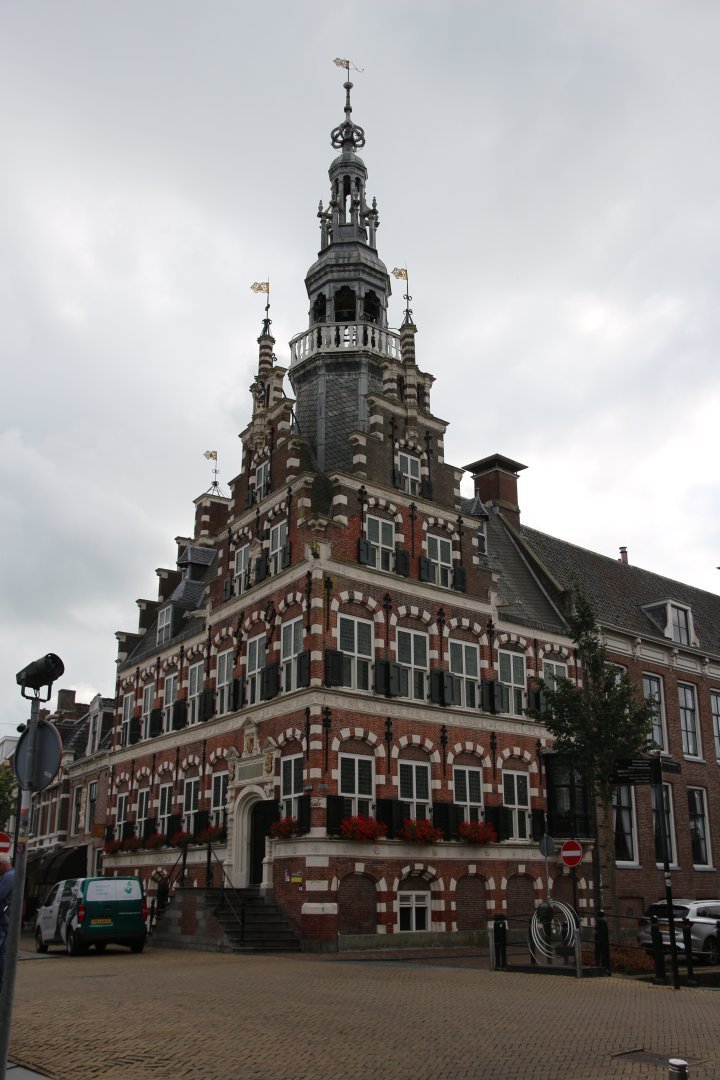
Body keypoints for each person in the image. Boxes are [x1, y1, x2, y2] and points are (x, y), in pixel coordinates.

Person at [0, 853, 14, 990]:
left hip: (3, 920)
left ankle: (2, 981)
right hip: (7, 919)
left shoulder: (9, 877)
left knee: (2, 952)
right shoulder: (11, 876)